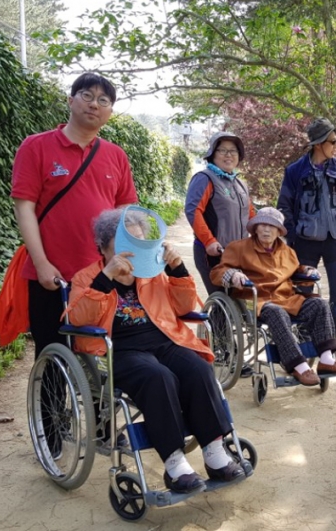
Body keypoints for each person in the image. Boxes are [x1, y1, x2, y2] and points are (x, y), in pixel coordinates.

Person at [67, 208, 244, 494]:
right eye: (125, 243)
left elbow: (184, 308)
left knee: (198, 369)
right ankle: (175, 463)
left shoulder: (152, 272)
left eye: (140, 241)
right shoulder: (86, 277)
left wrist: (177, 269)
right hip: (118, 350)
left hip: (164, 340)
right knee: (158, 377)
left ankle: (214, 451)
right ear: (103, 247)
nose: (134, 249)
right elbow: (78, 319)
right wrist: (105, 278)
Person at [11, 72, 137, 358]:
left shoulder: (116, 155)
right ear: (71, 101)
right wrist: (41, 263)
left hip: (102, 276)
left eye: (103, 100)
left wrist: (126, 262)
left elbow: (125, 212)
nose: (94, 104)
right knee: (53, 353)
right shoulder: (36, 146)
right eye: (87, 96)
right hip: (53, 276)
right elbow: (24, 207)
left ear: (110, 111)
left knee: (104, 354)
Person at [210, 207, 336, 387]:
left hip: (285, 298)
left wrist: (307, 270)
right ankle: (299, 366)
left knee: (320, 305)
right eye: (262, 225)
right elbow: (218, 271)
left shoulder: (287, 251)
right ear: (255, 228)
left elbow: (295, 270)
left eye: (272, 226)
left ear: (279, 231)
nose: (266, 230)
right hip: (254, 300)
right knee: (277, 313)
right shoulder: (238, 248)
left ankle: (326, 360)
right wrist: (232, 274)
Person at [277, 117, 336, 361]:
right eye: (332, 141)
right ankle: (304, 334)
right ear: (318, 144)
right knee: (302, 289)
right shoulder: (295, 171)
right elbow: (284, 206)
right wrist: (293, 236)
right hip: (305, 241)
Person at [185, 131, 255, 294]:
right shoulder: (204, 178)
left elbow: (251, 215)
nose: (228, 155)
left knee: (241, 298)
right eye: (223, 150)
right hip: (213, 254)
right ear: (212, 154)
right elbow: (193, 211)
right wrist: (209, 241)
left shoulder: (240, 184)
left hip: (238, 253)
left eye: (233, 151)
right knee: (221, 298)